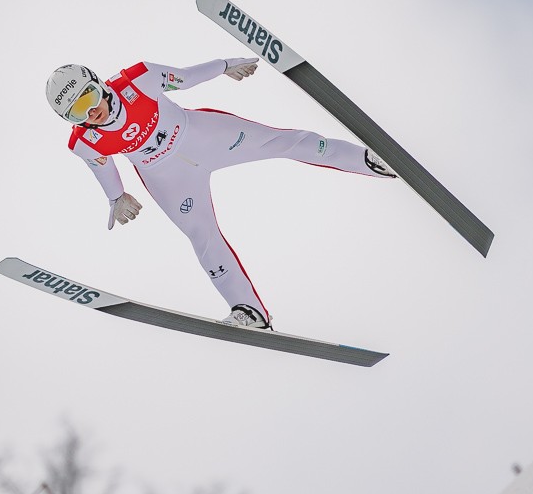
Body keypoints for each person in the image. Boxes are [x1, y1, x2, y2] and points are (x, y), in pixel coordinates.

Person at [45, 57, 396, 329]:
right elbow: (102, 166)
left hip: (205, 136)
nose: (91, 111)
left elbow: (185, 77)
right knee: (203, 237)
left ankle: (369, 161)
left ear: (99, 84)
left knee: (285, 142)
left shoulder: (137, 79)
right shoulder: (84, 142)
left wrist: (225, 66)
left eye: (89, 97)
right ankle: (249, 311)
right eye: (77, 111)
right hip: (168, 177)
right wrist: (116, 197)